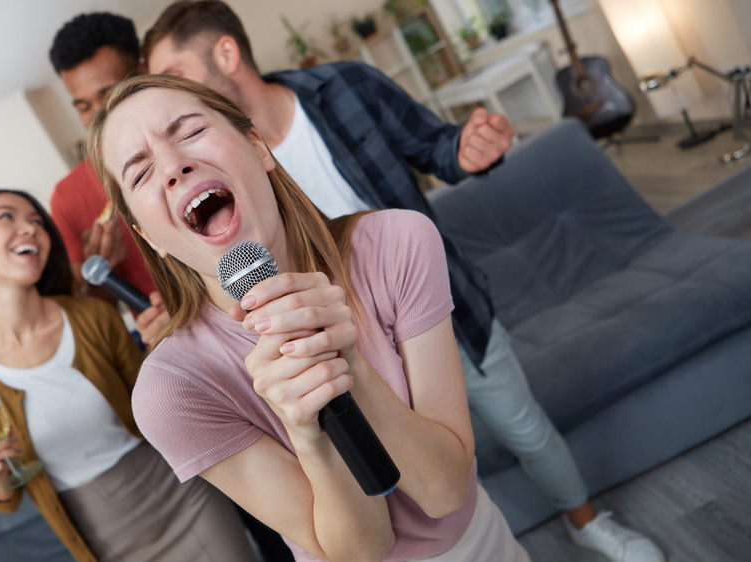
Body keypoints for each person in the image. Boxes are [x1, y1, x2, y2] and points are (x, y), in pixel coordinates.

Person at [140, 4, 665, 562]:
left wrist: (464, 150)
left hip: (432, 309)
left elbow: (435, 145)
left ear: (226, 53)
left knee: (521, 428)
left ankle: (587, 521)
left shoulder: (346, 87)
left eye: (173, 79)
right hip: (348, 352)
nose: (166, 108)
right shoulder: (216, 212)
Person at [89, 73, 530, 561]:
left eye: (190, 132)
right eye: (141, 172)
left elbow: (444, 491)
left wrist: (349, 368)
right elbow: (361, 551)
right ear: (148, 236)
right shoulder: (172, 392)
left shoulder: (396, 243)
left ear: (258, 146)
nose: (172, 166)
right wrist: (308, 435)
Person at [0, 188, 257, 561]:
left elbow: (155, 404)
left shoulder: (92, 316)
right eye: (7, 216)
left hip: (182, 494)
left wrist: (162, 354)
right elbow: (3, 498)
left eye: (37, 222)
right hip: (105, 536)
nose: (30, 228)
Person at [48, 12, 169, 346]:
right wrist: (104, 271)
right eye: (83, 106)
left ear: (143, 74)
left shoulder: (195, 140)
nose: (98, 115)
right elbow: (97, 311)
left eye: (109, 93)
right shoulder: (68, 199)